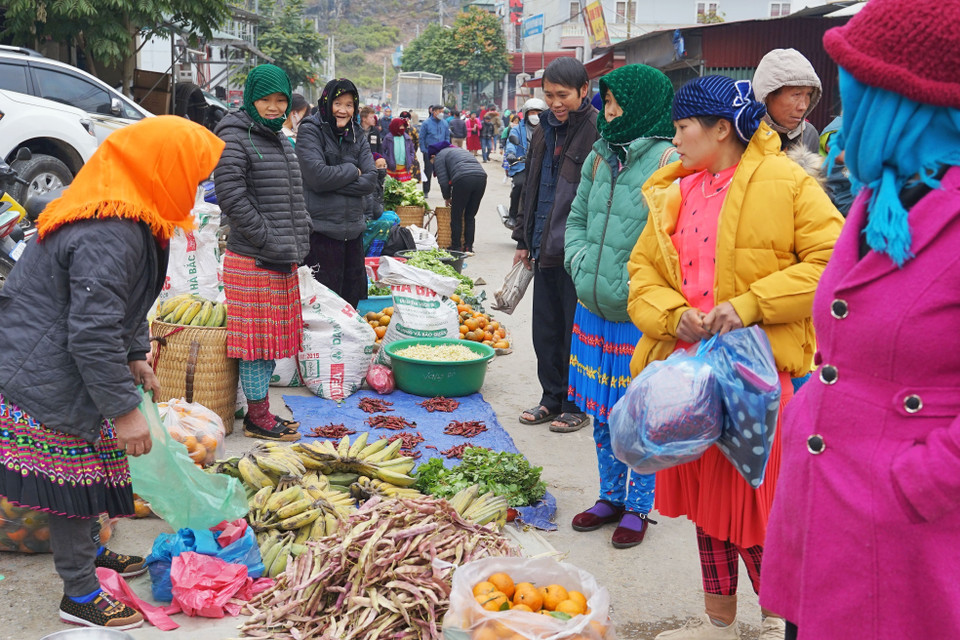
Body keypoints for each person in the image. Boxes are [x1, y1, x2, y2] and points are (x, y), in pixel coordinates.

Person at [761, 2, 960, 637]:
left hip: (910, 526)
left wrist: (922, 481)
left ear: (910, 99)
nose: (846, 115)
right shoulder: (882, 192)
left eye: (860, 91)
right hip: (826, 498)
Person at [627, 75, 842, 640]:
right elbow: (642, 274)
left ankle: (783, 619)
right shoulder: (674, 189)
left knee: (758, 513)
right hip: (690, 382)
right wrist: (673, 315)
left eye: (682, 128)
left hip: (757, 382)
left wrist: (750, 305)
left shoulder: (787, 182)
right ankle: (718, 623)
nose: (674, 140)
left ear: (721, 128)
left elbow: (832, 263)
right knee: (707, 510)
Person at [0, 116, 224, 630]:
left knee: (93, 469)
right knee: (72, 482)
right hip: (46, 371)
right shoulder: (110, 229)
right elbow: (92, 333)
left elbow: (123, 301)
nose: (194, 189)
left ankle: (91, 556)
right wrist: (125, 411)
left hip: (67, 362)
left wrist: (137, 353)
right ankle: (79, 594)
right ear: (161, 168)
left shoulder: (131, 210)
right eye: (190, 175)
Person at [564, 64, 678, 549]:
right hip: (592, 307)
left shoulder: (669, 161)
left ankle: (638, 505)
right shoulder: (599, 155)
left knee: (640, 413)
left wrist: (641, 284)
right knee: (602, 412)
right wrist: (578, 259)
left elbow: (675, 240)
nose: (608, 112)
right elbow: (576, 218)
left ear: (644, 105)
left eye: (616, 103)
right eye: (606, 103)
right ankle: (610, 496)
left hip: (638, 315)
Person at [215, 64, 313, 440]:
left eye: (280, 100)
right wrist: (268, 237)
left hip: (278, 255)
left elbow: (292, 194)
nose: (274, 107)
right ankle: (257, 418)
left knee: (270, 342)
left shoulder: (278, 137)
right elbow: (231, 197)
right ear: (250, 99)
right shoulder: (235, 136)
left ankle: (262, 413)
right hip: (253, 257)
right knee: (257, 345)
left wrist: (301, 230)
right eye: (265, 99)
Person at [512, 57, 598, 433]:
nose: (555, 103)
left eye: (563, 95)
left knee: (572, 331)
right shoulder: (542, 130)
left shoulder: (596, 130)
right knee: (545, 330)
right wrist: (523, 238)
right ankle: (551, 398)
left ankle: (575, 404)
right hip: (542, 245)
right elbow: (530, 186)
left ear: (583, 90)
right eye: (549, 95)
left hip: (576, 251)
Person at [297, 78, 377, 309]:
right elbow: (316, 176)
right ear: (327, 102)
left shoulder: (357, 134)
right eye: (338, 103)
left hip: (353, 234)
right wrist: (353, 170)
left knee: (350, 303)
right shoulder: (310, 130)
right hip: (321, 233)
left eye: (349, 105)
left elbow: (370, 180)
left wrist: (330, 180)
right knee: (321, 305)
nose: (343, 110)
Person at [752, 49, 822, 154]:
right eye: (796, 94)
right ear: (767, 95)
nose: (803, 107)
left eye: (809, 94)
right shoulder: (741, 134)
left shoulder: (808, 135)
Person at [429, 140, 487, 253]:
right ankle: (468, 247)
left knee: (456, 215)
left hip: (463, 179)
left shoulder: (439, 156)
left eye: (432, 162)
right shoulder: (458, 150)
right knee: (470, 215)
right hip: (481, 178)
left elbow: (443, 181)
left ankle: (456, 247)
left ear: (432, 156)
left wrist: (447, 197)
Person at [503, 98, 546, 229]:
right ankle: (513, 215)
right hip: (522, 164)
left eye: (538, 113)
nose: (535, 116)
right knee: (520, 184)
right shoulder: (517, 129)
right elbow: (511, 144)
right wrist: (511, 154)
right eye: (532, 112)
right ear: (526, 114)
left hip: (541, 165)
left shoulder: (547, 129)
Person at [419, 105, 451, 197]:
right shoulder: (426, 123)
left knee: (443, 172)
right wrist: (424, 150)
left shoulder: (444, 123)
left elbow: (447, 136)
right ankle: (426, 191)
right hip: (429, 151)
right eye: (439, 111)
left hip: (441, 151)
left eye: (442, 111)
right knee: (428, 171)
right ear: (434, 112)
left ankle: (446, 193)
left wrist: (446, 146)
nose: (441, 113)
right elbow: (421, 137)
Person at [382, 117, 416, 181]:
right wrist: (388, 160)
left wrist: (410, 159)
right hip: (391, 168)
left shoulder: (407, 138)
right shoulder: (388, 138)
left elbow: (412, 151)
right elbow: (382, 151)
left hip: (404, 168)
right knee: (391, 185)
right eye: (400, 126)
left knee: (404, 186)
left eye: (403, 126)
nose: (402, 128)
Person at [399, 111, 423, 183]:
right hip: (399, 157)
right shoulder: (397, 130)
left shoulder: (412, 130)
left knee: (412, 180)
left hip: (411, 156)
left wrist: (412, 152)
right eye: (403, 119)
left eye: (407, 119)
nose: (405, 120)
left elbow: (416, 143)